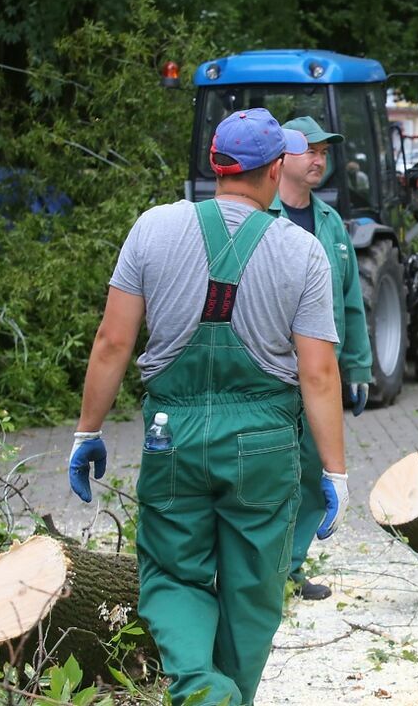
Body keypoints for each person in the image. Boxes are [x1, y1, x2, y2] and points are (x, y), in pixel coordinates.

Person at [67, 108, 350, 706]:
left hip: (173, 436)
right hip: (265, 443)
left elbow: (112, 341)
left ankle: (198, 686)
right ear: (276, 169)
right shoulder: (302, 251)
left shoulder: (152, 229)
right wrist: (335, 471)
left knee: (173, 574)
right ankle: (220, 695)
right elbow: (319, 372)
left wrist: (86, 431)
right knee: (252, 589)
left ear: (216, 165)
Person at [272, 114, 374, 601]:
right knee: (268, 475)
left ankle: (290, 570)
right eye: (309, 149)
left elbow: (350, 301)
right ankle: (257, 573)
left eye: (325, 152)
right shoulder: (257, 216)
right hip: (268, 374)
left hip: (321, 376)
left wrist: (357, 369)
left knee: (316, 474)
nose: (318, 159)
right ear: (281, 157)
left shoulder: (332, 225)